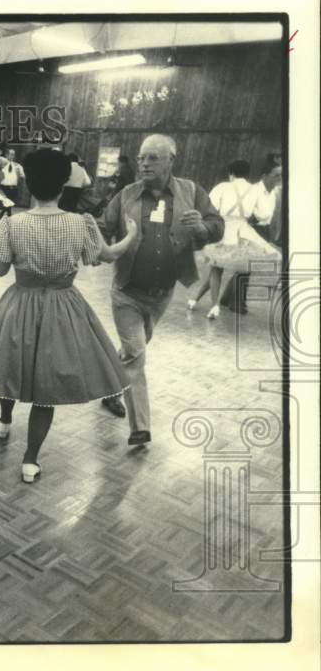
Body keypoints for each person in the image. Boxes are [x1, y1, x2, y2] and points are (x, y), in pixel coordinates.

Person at [0, 149, 137, 482]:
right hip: (64, 307)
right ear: (63, 186)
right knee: (47, 386)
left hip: (19, 304)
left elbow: (0, 270)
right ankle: (30, 460)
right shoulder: (81, 223)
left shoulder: (11, 223)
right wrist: (132, 234)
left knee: (10, 367)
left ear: (29, 184)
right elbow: (105, 256)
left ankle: (5, 422)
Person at [100, 134, 224, 447]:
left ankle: (108, 389)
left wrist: (203, 229)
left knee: (132, 352)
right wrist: (92, 245)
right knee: (138, 356)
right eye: (141, 158)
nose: (144, 163)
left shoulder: (191, 191)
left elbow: (217, 224)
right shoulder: (126, 194)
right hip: (126, 291)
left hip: (162, 294)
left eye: (153, 158)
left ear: (171, 159)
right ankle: (140, 427)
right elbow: (103, 226)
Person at [187, 159, 280, 318]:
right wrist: (249, 217)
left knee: (216, 268)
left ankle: (215, 306)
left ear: (231, 173)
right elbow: (264, 214)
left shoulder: (223, 187)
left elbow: (209, 207)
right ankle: (195, 299)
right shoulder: (254, 190)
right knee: (218, 267)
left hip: (222, 228)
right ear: (247, 174)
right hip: (243, 232)